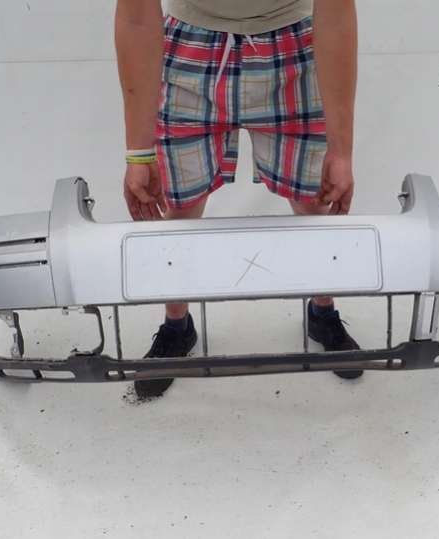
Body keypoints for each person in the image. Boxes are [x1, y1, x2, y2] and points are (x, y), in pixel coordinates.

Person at [115, 0, 361, 398]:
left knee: (316, 201)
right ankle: (177, 325)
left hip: (291, 42)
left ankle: (323, 311)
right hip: (192, 44)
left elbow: (335, 11)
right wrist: (138, 152)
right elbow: (136, 15)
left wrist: (341, 148)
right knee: (179, 207)